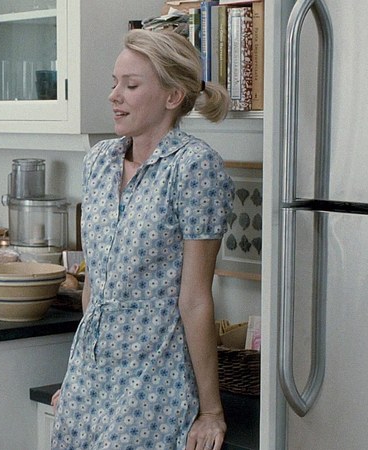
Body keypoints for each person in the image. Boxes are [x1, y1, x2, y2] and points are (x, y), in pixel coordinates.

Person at [51, 29, 234, 450]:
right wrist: (80, 377)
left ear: (173, 96)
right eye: (114, 83)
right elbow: (95, 285)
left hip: (154, 380)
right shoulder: (99, 161)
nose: (114, 96)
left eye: (131, 86)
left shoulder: (194, 167)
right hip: (89, 381)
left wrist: (211, 411)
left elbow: (195, 299)